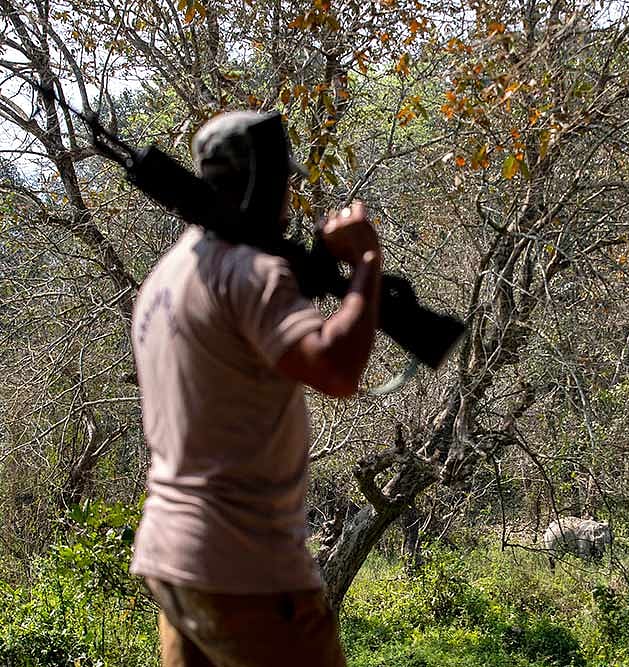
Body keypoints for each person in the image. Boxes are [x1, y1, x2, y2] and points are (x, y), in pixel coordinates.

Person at [129, 111, 381, 667]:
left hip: (172, 560)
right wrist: (366, 262)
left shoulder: (162, 281)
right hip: (246, 570)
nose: (287, 199)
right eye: (283, 185)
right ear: (262, 185)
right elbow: (337, 370)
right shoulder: (249, 273)